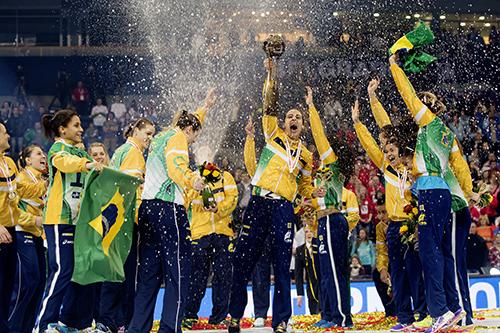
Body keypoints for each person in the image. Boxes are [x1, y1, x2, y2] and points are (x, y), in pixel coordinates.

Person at [389, 53, 480, 332]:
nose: (412, 111)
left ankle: (439, 311)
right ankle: (453, 308)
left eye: (420, 104)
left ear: (427, 107)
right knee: (440, 251)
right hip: (441, 192)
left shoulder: (427, 121)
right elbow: (461, 167)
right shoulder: (447, 134)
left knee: (429, 252)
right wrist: (469, 192)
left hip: (429, 191)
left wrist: (395, 68)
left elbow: (408, 94)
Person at [227, 59, 318, 333]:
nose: (292, 119)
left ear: (303, 127)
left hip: (283, 209)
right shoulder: (272, 135)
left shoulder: (306, 156)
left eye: (297, 118)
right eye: (289, 116)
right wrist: (271, 72)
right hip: (258, 202)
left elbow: (304, 187)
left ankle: (281, 320)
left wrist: (312, 194)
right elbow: (269, 105)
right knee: (243, 259)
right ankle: (234, 316)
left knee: (281, 265)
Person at [128, 89, 215, 333]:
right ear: (189, 130)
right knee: (178, 272)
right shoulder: (178, 138)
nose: (192, 142)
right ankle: (170, 328)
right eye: (194, 138)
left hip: (147, 209)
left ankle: (138, 328)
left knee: (148, 274)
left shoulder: (162, 137)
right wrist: (192, 180)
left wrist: (204, 108)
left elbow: (188, 122)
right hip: (168, 210)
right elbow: (177, 165)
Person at [35, 109, 104, 333]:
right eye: (76, 125)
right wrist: (86, 164)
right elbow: (64, 163)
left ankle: (77, 323)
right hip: (59, 219)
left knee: (80, 271)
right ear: (62, 129)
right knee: (61, 270)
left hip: (79, 222)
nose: (81, 129)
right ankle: (44, 324)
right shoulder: (58, 149)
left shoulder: (80, 153)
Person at [98, 118, 155, 333]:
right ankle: (113, 321)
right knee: (122, 273)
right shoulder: (133, 153)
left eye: (152, 135)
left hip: (115, 218)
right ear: (136, 130)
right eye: (147, 133)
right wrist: (141, 216)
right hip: (124, 219)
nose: (149, 138)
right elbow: (130, 190)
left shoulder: (121, 150)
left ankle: (112, 320)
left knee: (117, 271)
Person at [304, 87, 355, 328]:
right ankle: (327, 314)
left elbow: (318, 135)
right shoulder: (322, 171)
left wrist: (312, 107)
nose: (319, 149)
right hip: (322, 222)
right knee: (325, 272)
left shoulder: (332, 164)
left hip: (334, 221)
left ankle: (341, 317)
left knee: (335, 272)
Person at [0, 123, 47, 333]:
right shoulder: (23, 175)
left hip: (22, 233)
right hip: (14, 230)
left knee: (27, 283)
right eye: (3, 132)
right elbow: (21, 194)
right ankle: (12, 326)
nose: (8, 135)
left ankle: (23, 327)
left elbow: (15, 199)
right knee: (24, 282)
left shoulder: (9, 163)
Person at [183, 164, 238, 327]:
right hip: (199, 234)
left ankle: (219, 317)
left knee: (224, 276)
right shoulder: (191, 178)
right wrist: (196, 187)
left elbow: (233, 198)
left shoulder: (225, 176)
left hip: (223, 232)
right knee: (196, 277)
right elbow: (185, 202)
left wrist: (218, 209)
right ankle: (189, 315)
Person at [241, 117, 272, 328]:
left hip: (280, 221)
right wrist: (250, 137)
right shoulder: (259, 173)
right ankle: (260, 312)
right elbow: (249, 162)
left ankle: (281, 313)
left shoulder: (284, 172)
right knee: (260, 270)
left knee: (279, 269)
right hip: (261, 224)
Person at [373, 200, 396, 318]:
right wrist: (382, 269)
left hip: (404, 258)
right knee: (376, 274)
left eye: (384, 212)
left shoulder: (399, 222)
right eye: (378, 213)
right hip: (390, 260)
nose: (380, 216)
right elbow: (381, 250)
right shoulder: (379, 227)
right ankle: (391, 311)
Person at [294, 226, 320, 315]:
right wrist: (300, 294)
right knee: (314, 313)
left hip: (323, 283)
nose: (309, 233)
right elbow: (298, 273)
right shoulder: (300, 250)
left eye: (311, 231)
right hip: (311, 285)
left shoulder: (320, 247)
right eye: (306, 232)